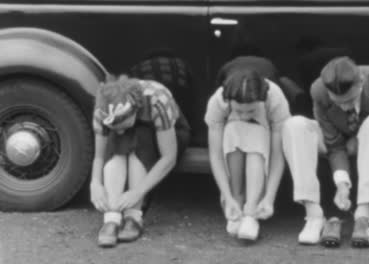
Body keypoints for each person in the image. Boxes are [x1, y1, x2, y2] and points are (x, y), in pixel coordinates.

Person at [282, 56, 369, 247]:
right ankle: (313, 214)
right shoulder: (318, 90)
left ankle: (364, 212)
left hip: (368, 139)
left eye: (350, 100)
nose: (344, 107)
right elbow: (333, 144)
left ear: (361, 83)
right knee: (295, 125)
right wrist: (342, 185)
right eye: (338, 102)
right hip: (336, 143)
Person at [90, 75, 190, 247]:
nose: (119, 131)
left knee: (140, 135)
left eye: (123, 125)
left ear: (136, 110)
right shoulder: (102, 109)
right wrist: (95, 183)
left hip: (168, 137)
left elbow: (169, 157)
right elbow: (99, 155)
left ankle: (133, 215)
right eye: (114, 126)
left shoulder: (157, 100)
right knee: (118, 138)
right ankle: (112, 216)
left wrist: (137, 191)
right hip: (129, 141)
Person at [205, 57, 291, 241]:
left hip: (262, 147)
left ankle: (251, 210)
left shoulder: (274, 97)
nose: (244, 115)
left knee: (255, 131)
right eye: (239, 110)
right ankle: (236, 201)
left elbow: (277, 154)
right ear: (229, 100)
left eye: (251, 111)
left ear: (262, 99)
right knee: (233, 128)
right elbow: (215, 154)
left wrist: (269, 197)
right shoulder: (218, 101)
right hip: (231, 150)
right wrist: (227, 197)